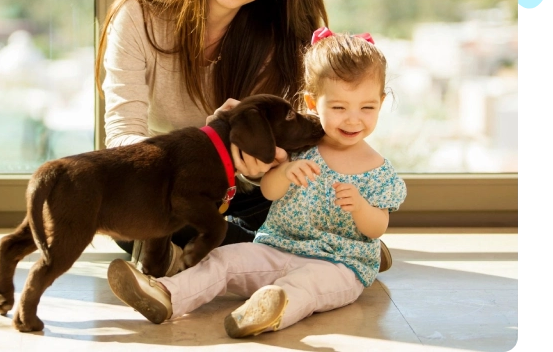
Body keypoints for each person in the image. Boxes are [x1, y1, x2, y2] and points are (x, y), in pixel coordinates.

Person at [106, 28, 408, 339]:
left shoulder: (377, 170)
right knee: (224, 259)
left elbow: (376, 228)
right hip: (277, 249)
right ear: (313, 103)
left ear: (381, 103)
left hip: (340, 266)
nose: (353, 119)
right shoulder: (299, 148)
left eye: (366, 108)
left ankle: (267, 309)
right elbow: (268, 192)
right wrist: (284, 171)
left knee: (306, 286)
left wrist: (360, 207)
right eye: (339, 107)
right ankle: (166, 294)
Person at [94, 0, 331, 275]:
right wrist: (193, 152)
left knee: (296, 199)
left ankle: (234, 257)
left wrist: (267, 163)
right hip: (171, 188)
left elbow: (295, 145)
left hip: (247, 193)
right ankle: (310, 256)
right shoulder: (139, 15)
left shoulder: (276, 38)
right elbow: (122, 136)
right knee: (124, 206)